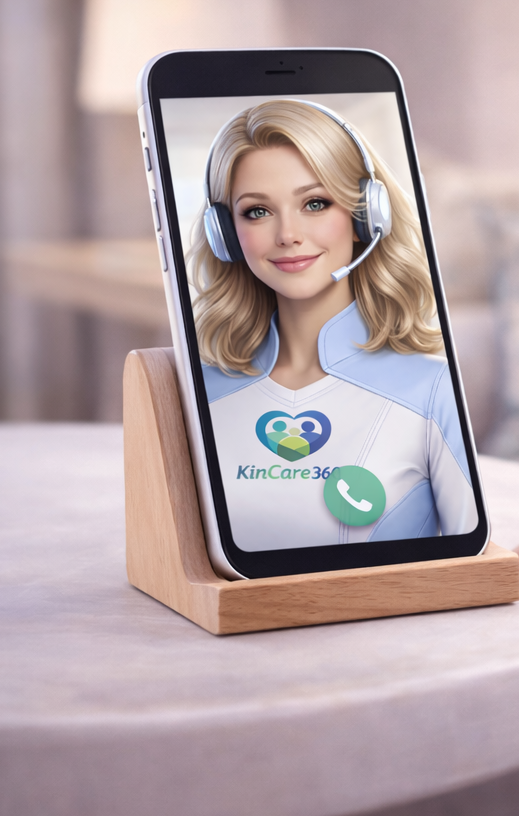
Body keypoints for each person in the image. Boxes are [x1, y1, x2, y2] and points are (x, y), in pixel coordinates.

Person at [189, 99, 475, 551]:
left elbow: (474, 571)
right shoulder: (197, 391)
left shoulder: (433, 390)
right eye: (257, 212)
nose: (287, 234)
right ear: (225, 235)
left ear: (367, 217)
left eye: (315, 203)